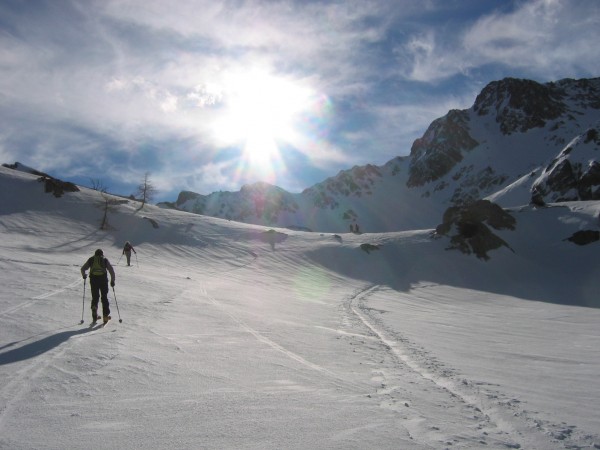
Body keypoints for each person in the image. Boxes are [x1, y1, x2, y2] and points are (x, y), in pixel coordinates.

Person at [81, 249, 116, 324]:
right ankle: (105, 316)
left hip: (93, 279)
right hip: (103, 280)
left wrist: (84, 275)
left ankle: (94, 310)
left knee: (95, 296)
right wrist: (112, 281)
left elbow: (83, 268)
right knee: (104, 297)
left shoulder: (91, 259)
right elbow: (111, 270)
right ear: (102, 254)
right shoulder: (105, 260)